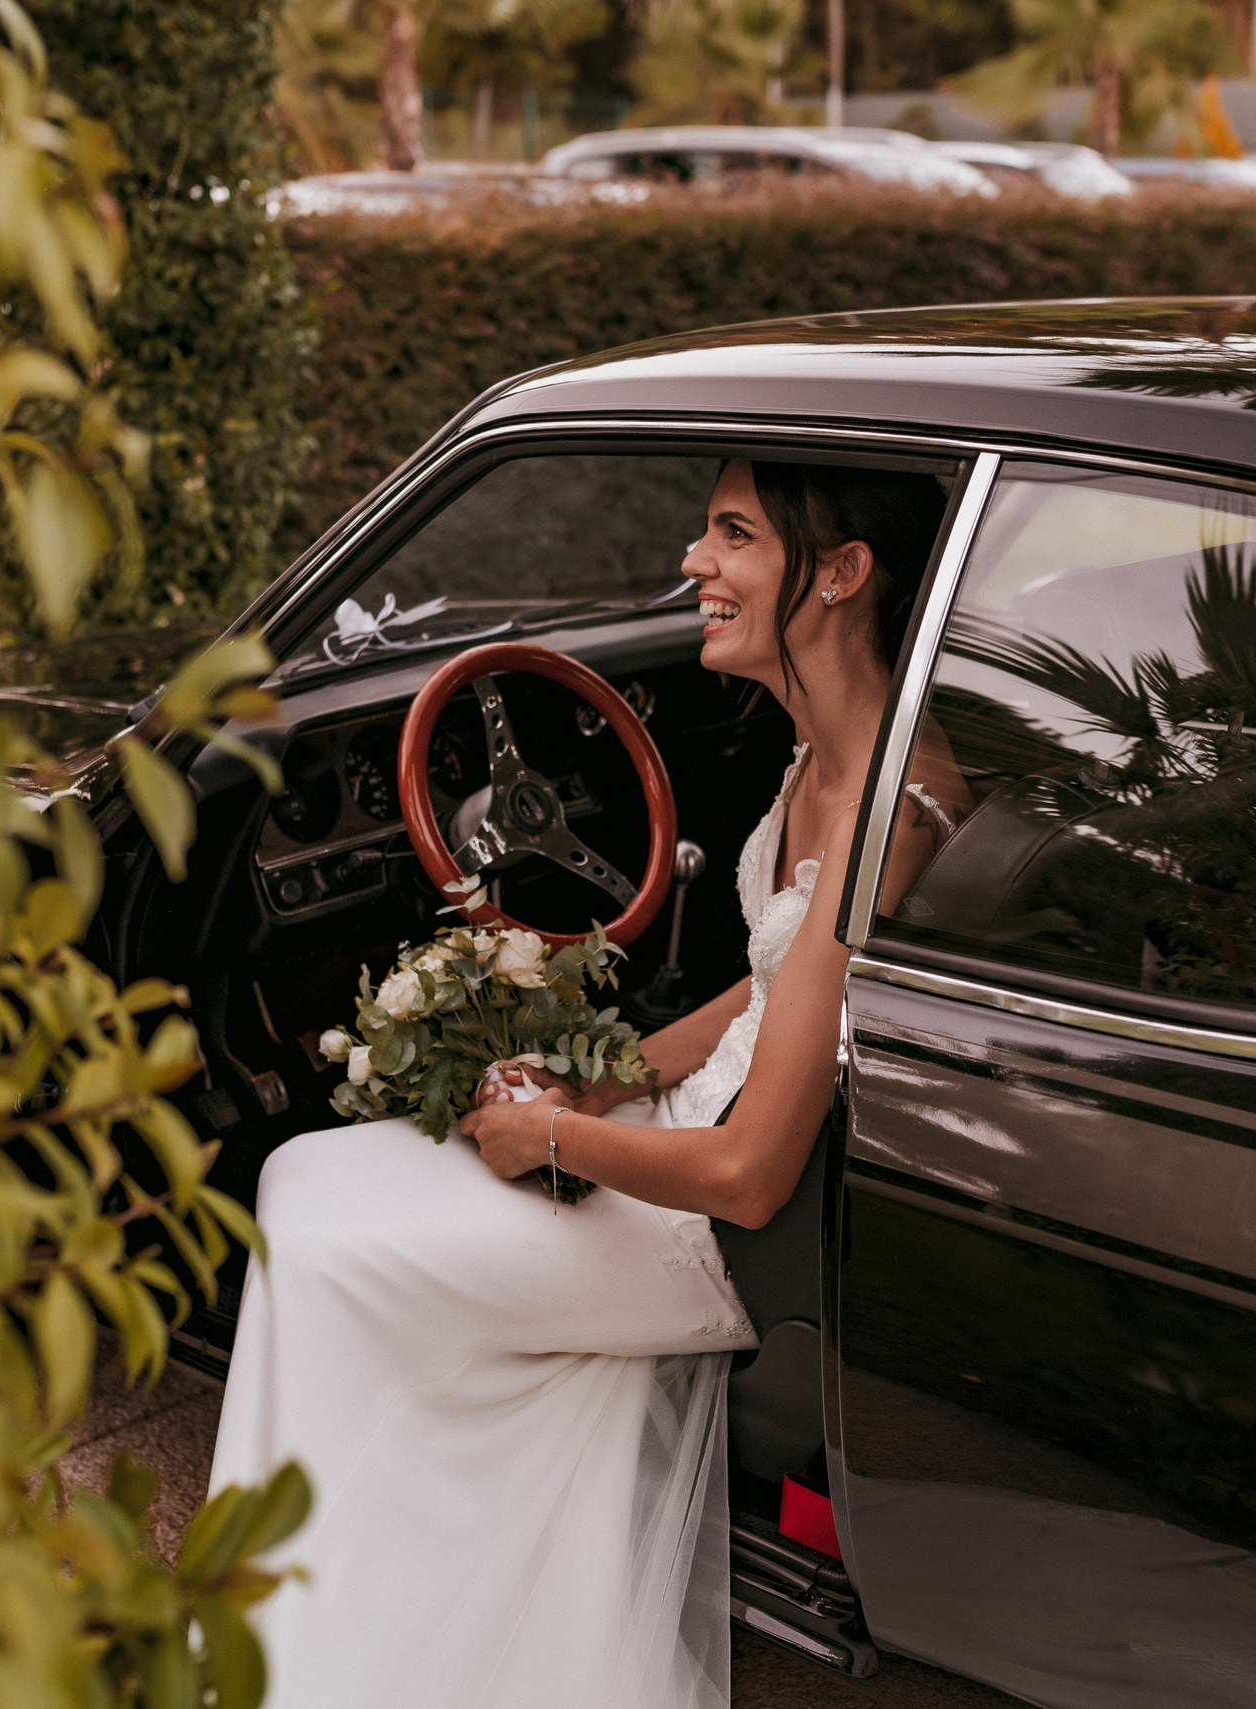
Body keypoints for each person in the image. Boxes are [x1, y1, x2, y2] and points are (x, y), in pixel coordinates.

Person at [206, 459, 965, 1709]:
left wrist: (551, 1139)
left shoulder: (893, 807)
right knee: (309, 1179)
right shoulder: (831, 750)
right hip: (672, 1137)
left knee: (319, 1231)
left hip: (704, 1234)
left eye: (731, 536)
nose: (691, 562)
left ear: (838, 573)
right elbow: (771, 996)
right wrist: (603, 1080)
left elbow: (750, 1171)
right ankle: (387, 1586)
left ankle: (320, 1645)